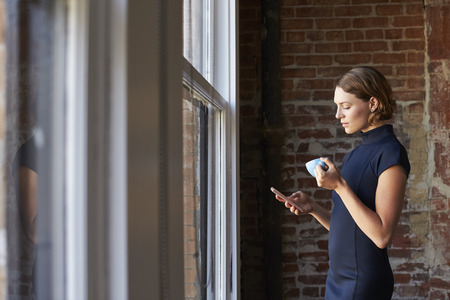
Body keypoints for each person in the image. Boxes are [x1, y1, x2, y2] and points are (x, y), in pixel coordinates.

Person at [275, 66, 410, 300]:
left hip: (363, 281)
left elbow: (381, 236)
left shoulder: (390, 154)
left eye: (346, 107)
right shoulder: (353, 156)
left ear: (373, 104)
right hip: (337, 278)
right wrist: (314, 209)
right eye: (337, 106)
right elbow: (351, 228)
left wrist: (339, 186)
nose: (338, 114)